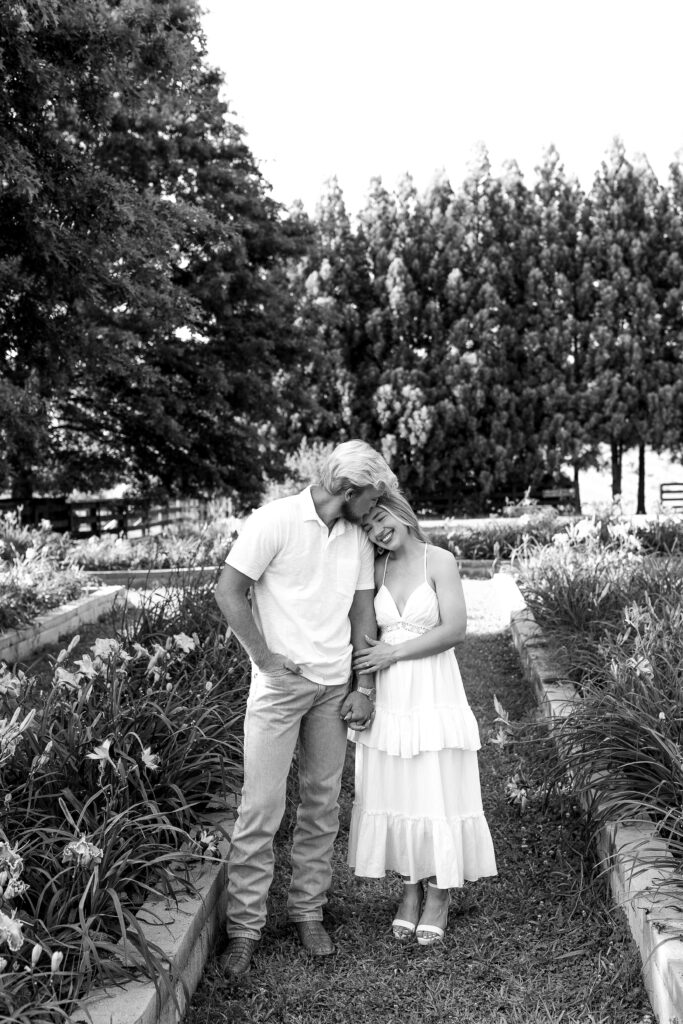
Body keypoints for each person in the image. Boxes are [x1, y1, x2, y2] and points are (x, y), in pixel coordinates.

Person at [214, 440, 398, 977]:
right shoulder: (273, 521)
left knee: (321, 805)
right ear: (348, 489)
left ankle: (307, 912)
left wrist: (363, 683)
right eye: (373, 496)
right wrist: (266, 660)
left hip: (333, 689)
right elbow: (229, 590)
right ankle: (245, 930)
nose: (377, 506)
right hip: (279, 688)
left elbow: (363, 610)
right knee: (261, 808)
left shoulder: (357, 539)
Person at [347, 489, 497, 945]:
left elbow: (454, 628)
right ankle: (409, 890)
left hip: (433, 687)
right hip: (392, 695)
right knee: (400, 785)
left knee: (435, 785)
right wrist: (366, 691)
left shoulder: (441, 560)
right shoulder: (375, 569)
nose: (378, 530)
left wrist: (396, 652)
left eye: (380, 518)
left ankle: (439, 894)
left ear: (399, 509)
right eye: (369, 528)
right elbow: (367, 638)